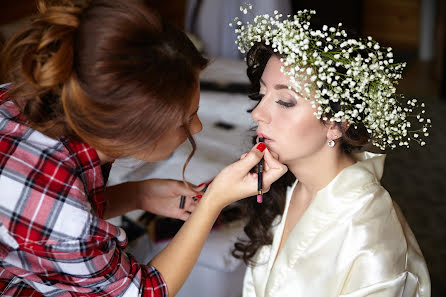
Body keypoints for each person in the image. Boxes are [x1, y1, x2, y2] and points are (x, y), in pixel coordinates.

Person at [0, 1, 288, 296]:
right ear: (127, 132)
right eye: (185, 120)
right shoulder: (64, 217)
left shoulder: (23, 101)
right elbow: (142, 291)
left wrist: (141, 193)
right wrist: (213, 201)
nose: (198, 127)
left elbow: (44, 222)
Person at [230, 7, 431, 297]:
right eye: (262, 95)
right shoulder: (287, 185)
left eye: (285, 102)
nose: (258, 114)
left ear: (337, 125)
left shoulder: (368, 231)